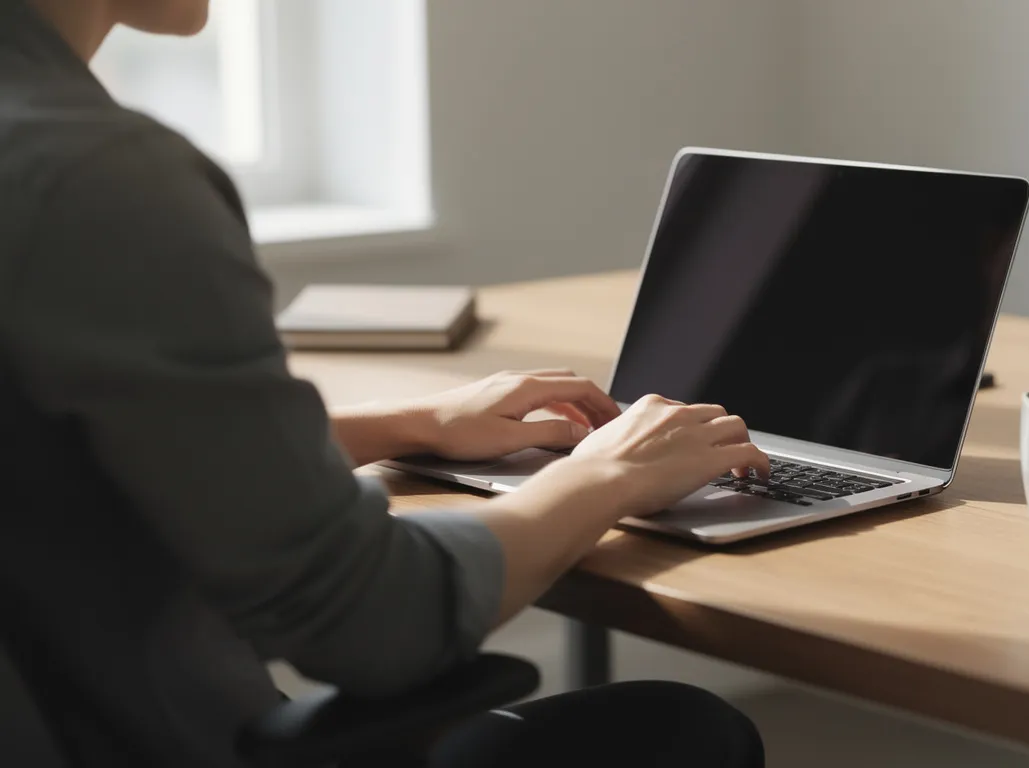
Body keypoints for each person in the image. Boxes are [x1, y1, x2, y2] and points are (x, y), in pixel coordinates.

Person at [0, 0, 768, 766]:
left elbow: (65, 460)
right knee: (681, 734)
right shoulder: (96, 178)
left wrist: (408, 424)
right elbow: (370, 621)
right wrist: (609, 476)